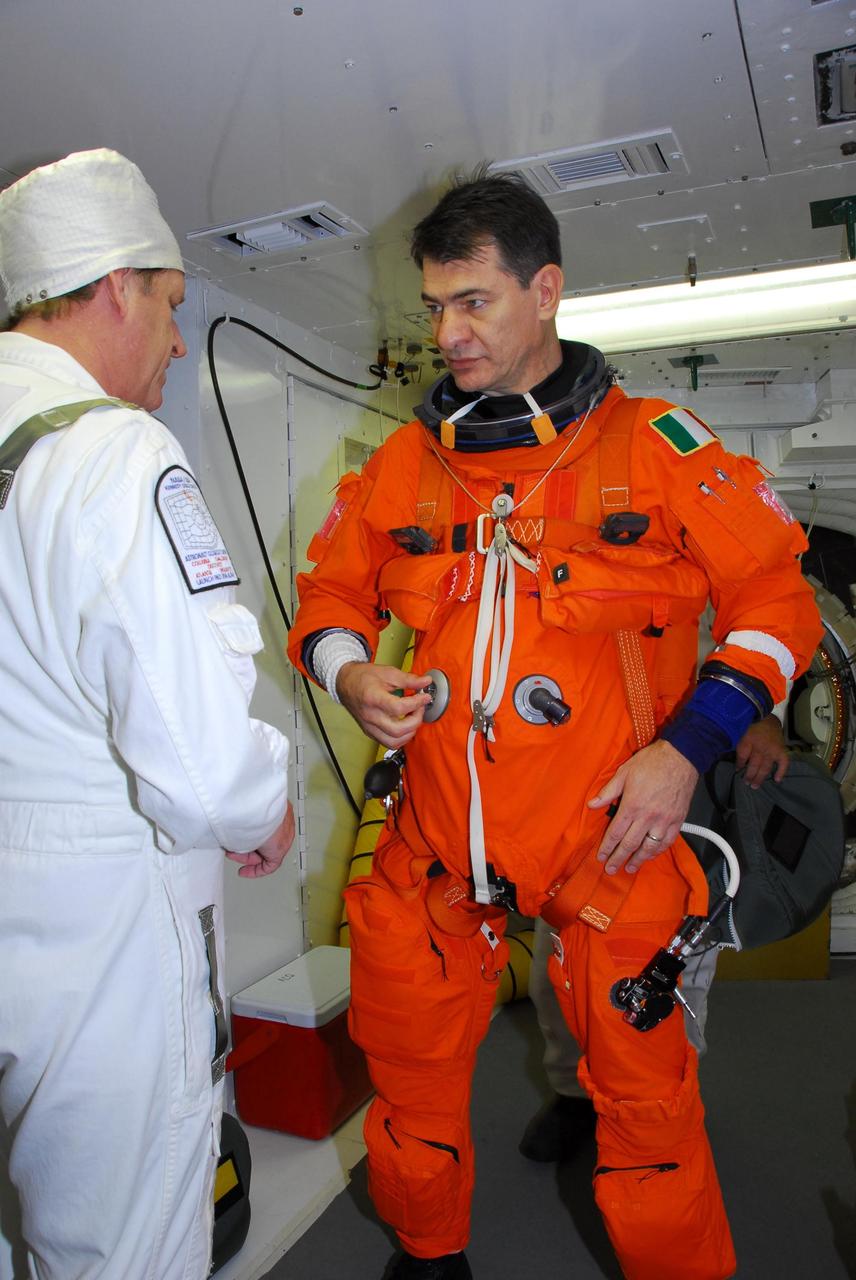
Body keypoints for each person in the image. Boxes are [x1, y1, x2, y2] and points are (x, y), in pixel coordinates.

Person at [288, 168, 822, 1280]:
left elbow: (779, 604)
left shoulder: (652, 444)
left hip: (606, 844)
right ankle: (428, 1253)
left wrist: (686, 749)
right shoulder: (404, 464)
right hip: (439, 844)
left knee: (648, 1115)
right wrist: (347, 675)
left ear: (546, 291)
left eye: (473, 300)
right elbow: (328, 599)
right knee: (409, 1083)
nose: (448, 331)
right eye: (433, 306)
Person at [0, 149, 294, 1280]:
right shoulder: (113, 455)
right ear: (118, 286)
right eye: (172, 305)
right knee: (122, 1246)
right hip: (103, 925)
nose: (178, 339)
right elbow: (209, 775)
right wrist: (261, 804)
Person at [521, 712, 791, 1162]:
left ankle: (669, 1106)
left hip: (690, 779)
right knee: (555, 981)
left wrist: (762, 715)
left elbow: (753, 648)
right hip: (586, 779)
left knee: (672, 992)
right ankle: (574, 1097)